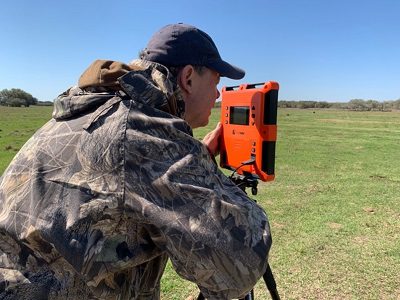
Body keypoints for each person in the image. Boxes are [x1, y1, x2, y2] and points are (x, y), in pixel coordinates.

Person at [0, 23, 272, 299]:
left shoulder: (100, 106)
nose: (217, 95)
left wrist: (196, 157)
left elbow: (121, 174)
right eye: (216, 82)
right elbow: (240, 264)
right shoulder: (142, 130)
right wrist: (219, 183)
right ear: (188, 78)